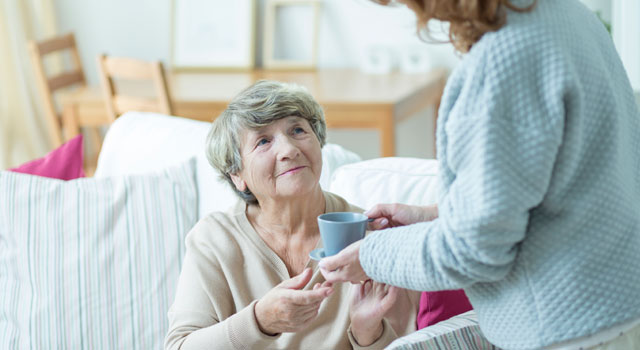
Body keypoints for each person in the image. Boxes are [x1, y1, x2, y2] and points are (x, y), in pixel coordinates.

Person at [319, 0, 640, 349]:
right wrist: (435, 217)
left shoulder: (503, 62)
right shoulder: (565, 13)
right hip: (617, 308)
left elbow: (473, 250)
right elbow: (553, 185)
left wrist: (370, 256)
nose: (419, 15)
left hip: (565, 329)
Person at [164, 80, 419, 350]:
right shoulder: (214, 239)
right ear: (237, 175)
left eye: (297, 130)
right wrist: (260, 321)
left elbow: (413, 343)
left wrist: (367, 332)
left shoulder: (369, 236)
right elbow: (180, 346)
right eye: (263, 141)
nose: (289, 150)